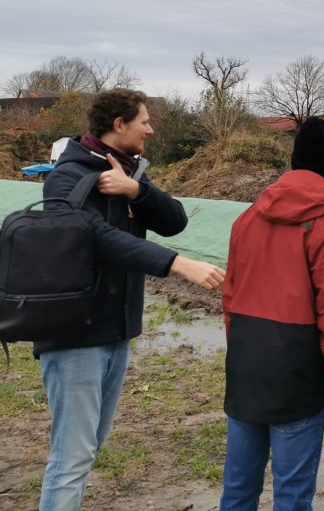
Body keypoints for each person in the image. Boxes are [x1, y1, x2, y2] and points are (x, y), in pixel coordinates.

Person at [35, 88, 225, 511]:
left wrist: (135, 191)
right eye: (144, 121)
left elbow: (174, 220)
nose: (151, 129)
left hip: (115, 330)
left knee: (87, 448)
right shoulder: (67, 177)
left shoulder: (127, 171)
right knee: (72, 455)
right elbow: (96, 238)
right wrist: (177, 264)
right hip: (74, 333)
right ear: (119, 125)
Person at [220, 117, 324, 510]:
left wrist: (244, 352)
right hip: (297, 371)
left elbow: (230, 296)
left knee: (238, 487)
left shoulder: (246, 218)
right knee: (293, 494)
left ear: (294, 160)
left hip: (247, 363)